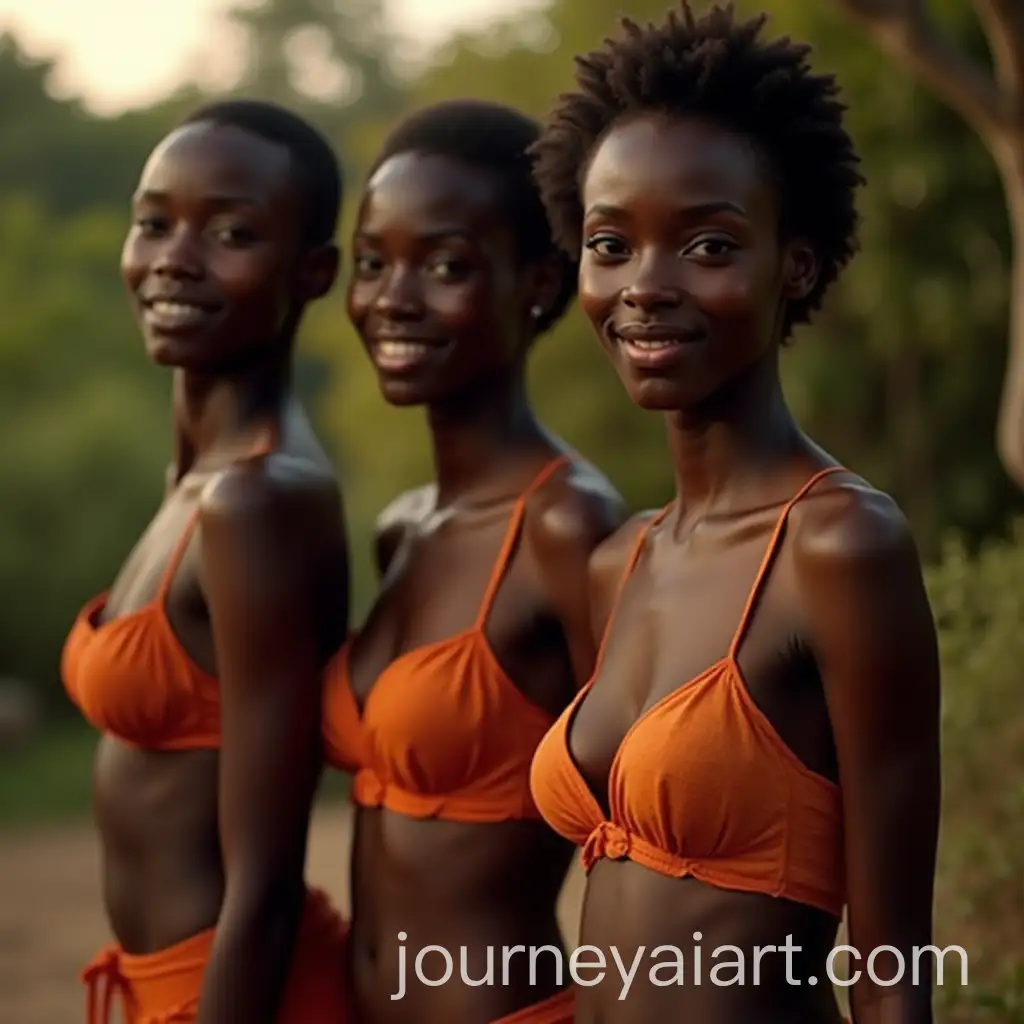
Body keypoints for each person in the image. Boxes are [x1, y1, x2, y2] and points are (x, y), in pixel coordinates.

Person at [527, 4, 942, 1022]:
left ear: (791, 265)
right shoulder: (614, 561)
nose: (644, 288)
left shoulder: (838, 546)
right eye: (609, 244)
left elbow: (892, 971)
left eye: (707, 246)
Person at [321, 98, 628, 1024]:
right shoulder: (404, 527)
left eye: (446, 265)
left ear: (538, 282)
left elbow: (636, 832)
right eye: (374, 263)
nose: (393, 299)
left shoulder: (568, 526)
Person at [60, 99, 352, 1024]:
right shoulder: (197, 477)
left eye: (230, 232)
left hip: (230, 998)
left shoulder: (257, 501)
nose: (174, 259)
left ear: (311, 271)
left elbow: (265, 876)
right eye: (154, 222)